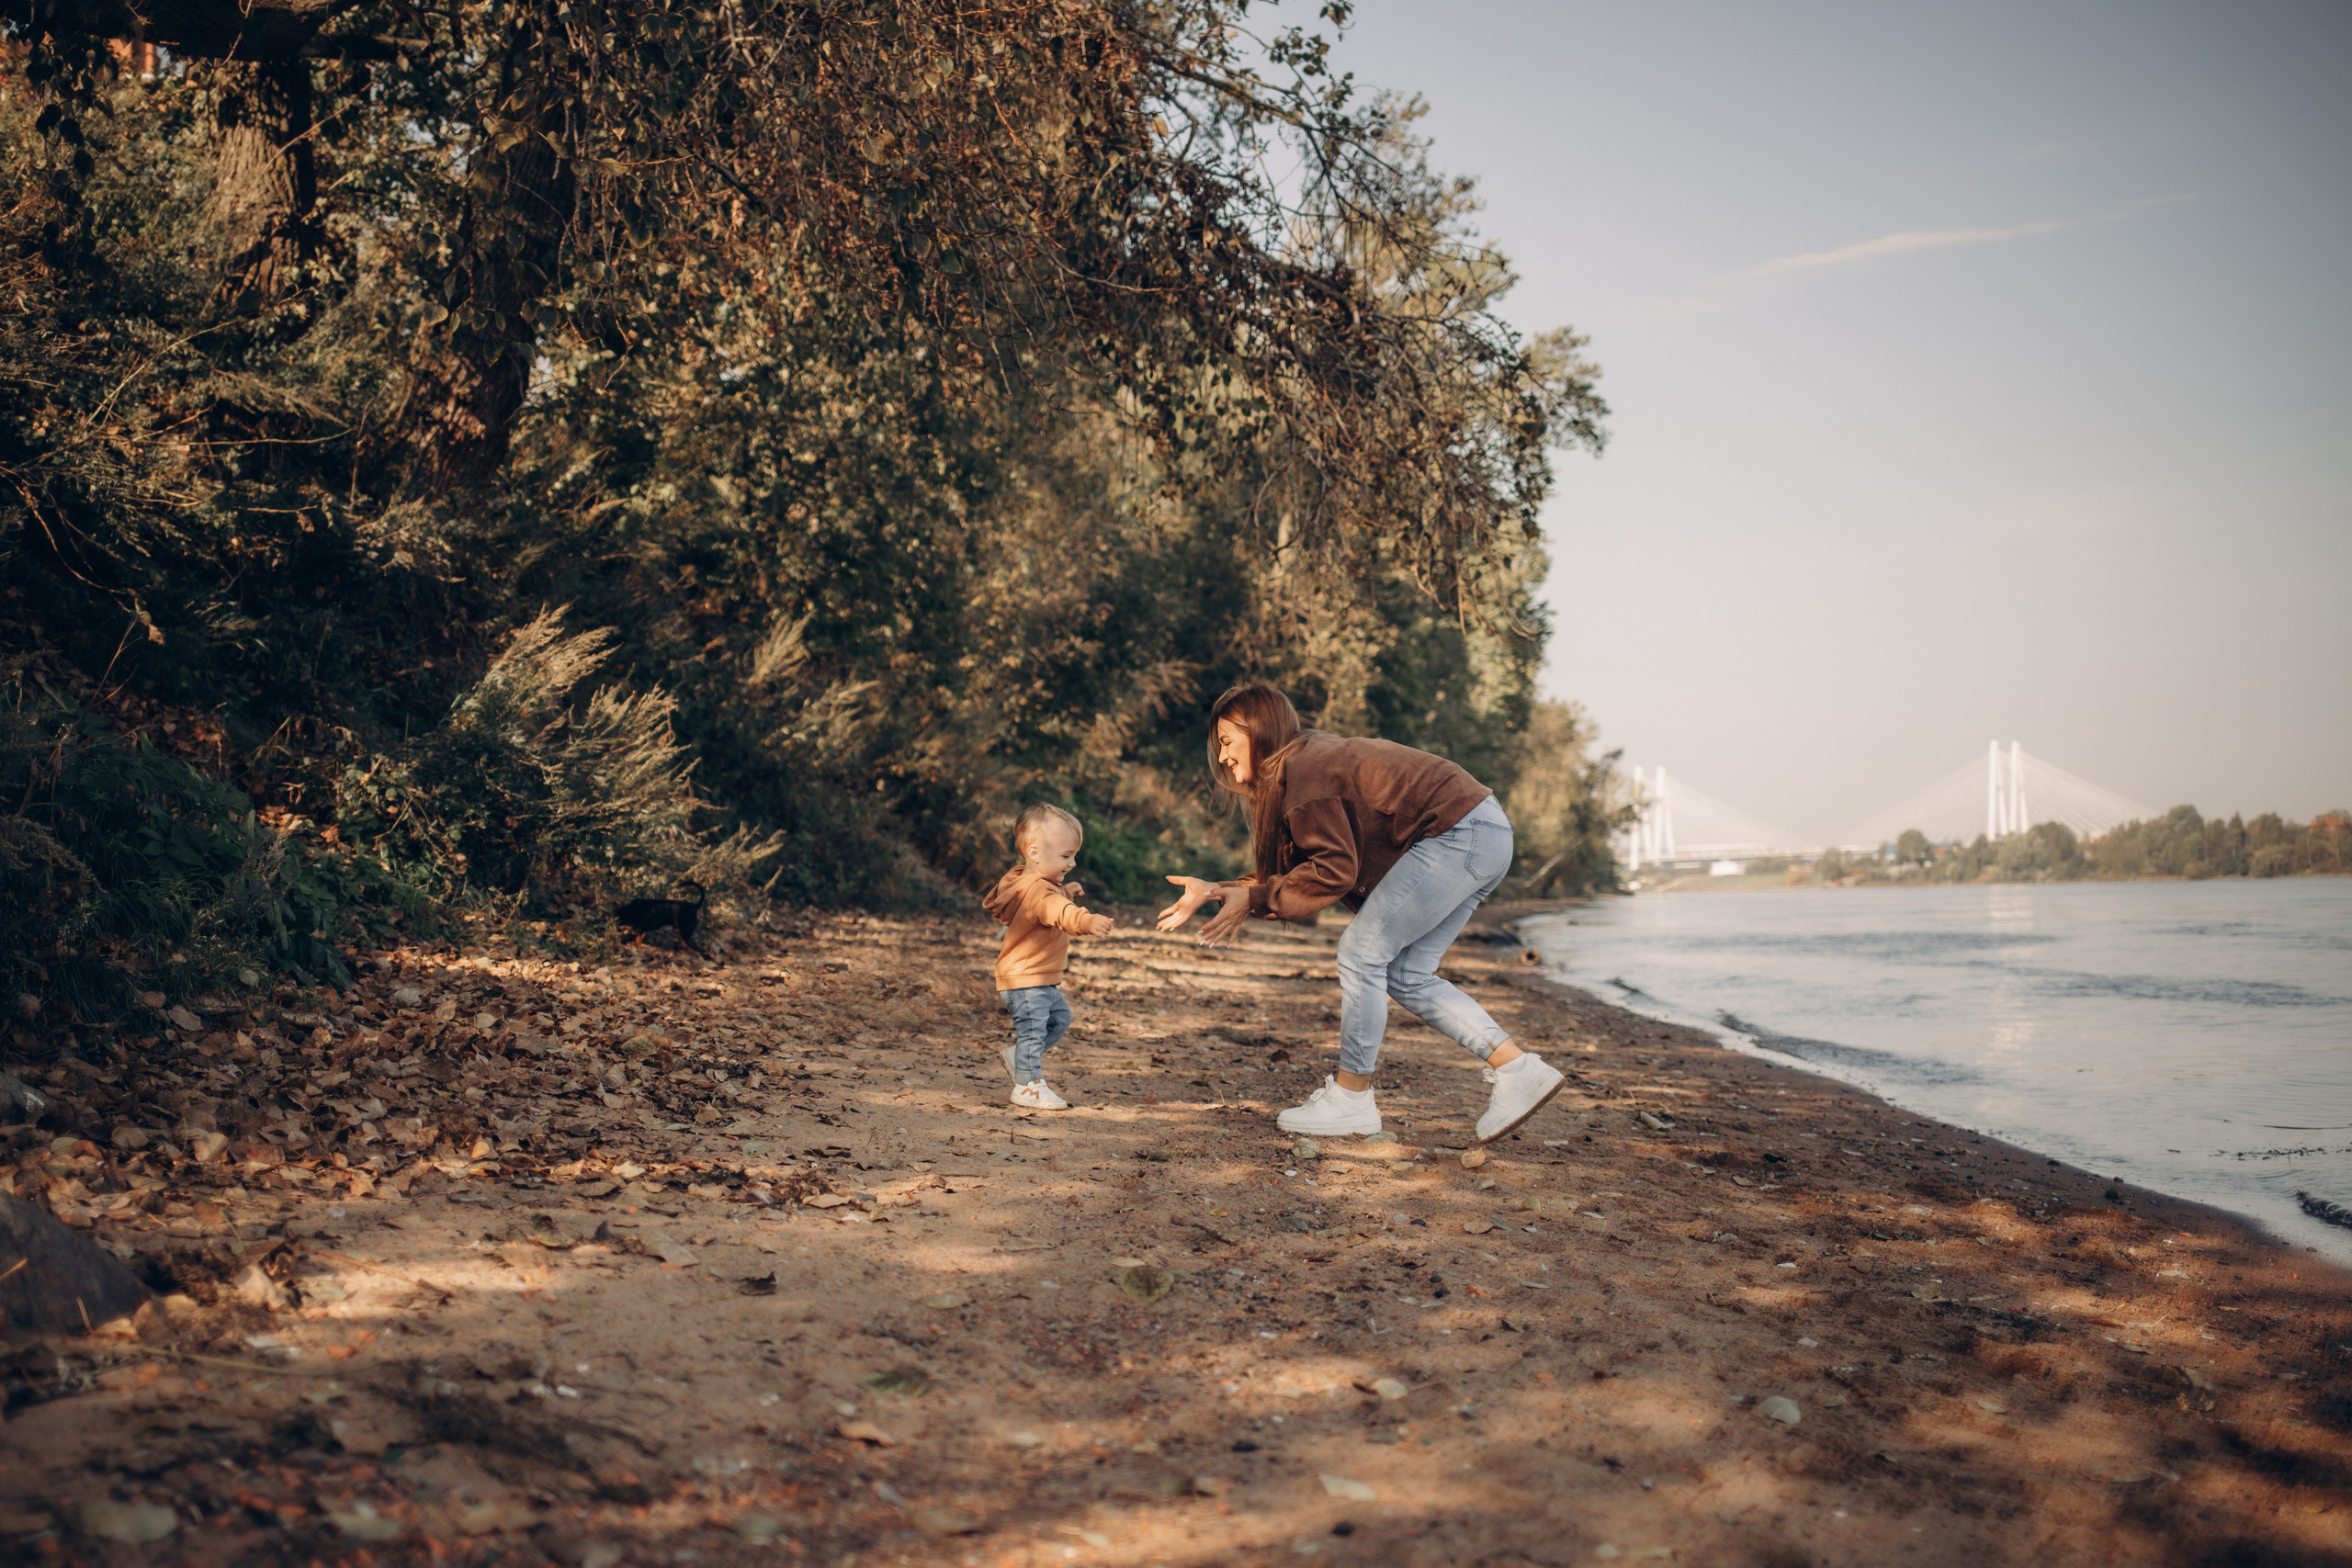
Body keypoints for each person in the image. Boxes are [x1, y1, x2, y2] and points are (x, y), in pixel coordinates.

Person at [1158, 682, 1566, 1142]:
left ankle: (1352, 1098)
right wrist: (1218, 890)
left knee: (1361, 953)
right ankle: (1517, 1070)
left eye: (1228, 741)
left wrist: (1252, 898)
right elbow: (1301, 871)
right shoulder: (1305, 766)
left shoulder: (1306, 771)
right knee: (1407, 973)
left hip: (1461, 832)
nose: (1224, 758)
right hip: (1482, 831)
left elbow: (1334, 871)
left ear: (1262, 730)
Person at [982, 804, 1116, 1110]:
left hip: (1035, 977)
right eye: (1066, 856)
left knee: (1059, 1018)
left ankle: (1019, 1059)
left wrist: (1064, 892)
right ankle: (1027, 1086)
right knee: (1032, 1031)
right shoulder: (1041, 892)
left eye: (1073, 855)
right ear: (1035, 853)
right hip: (1028, 978)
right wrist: (1087, 920)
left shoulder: (1033, 885)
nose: (1073, 863)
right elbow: (1057, 912)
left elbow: (1044, 908)